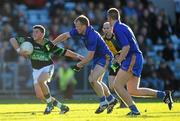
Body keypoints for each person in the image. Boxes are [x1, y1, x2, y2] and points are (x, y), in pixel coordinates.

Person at [107, 8, 173, 116]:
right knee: (133, 90)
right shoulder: (123, 26)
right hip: (136, 57)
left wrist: (117, 62)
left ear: (109, 18)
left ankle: (134, 111)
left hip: (132, 58)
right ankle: (164, 95)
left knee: (117, 85)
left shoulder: (117, 28)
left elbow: (127, 47)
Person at [9, 25, 84, 115]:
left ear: (42, 34)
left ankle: (49, 105)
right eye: (33, 32)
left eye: (36, 32)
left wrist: (78, 56)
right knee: (40, 96)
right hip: (36, 70)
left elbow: (64, 51)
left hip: (47, 67)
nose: (34, 34)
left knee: (41, 81)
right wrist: (18, 50)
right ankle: (62, 107)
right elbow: (12, 39)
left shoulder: (48, 44)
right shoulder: (29, 41)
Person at [53, 15, 118, 114]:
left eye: (78, 26)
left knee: (92, 80)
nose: (76, 28)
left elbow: (90, 56)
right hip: (97, 57)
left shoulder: (92, 35)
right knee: (95, 82)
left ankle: (103, 102)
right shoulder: (80, 30)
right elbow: (65, 35)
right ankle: (111, 99)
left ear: (84, 26)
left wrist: (78, 65)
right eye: (75, 26)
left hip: (105, 57)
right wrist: (53, 43)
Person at [102, 22, 126, 108]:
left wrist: (118, 56)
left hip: (123, 61)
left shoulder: (117, 37)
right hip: (114, 64)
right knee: (112, 86)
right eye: (104, 28)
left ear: (112, 29)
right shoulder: (102, 39)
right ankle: (123, 101)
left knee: (119, 84)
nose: (106, 30)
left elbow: (125, 48)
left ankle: (124, 103)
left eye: (108, 28)